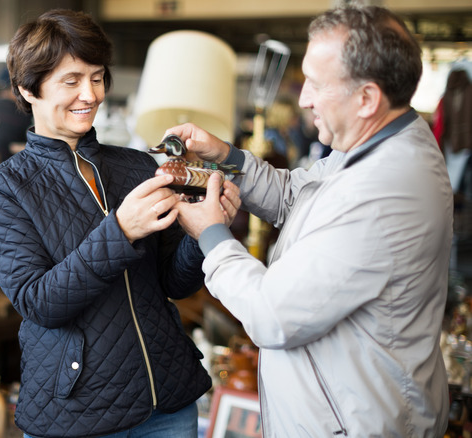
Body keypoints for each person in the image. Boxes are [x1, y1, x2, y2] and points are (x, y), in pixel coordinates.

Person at [170, 5, 452, 436]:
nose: (302, 99)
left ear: (367, 99)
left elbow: (271, 314)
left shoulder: (381, 192)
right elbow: (297, 196)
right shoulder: (371, 143)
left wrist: (210, 234)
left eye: (316, 86)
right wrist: (228, 159)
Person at [0, 9, 240, 438]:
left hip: (168, 403)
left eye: (97, 78)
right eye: (72, 80)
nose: (90, 94)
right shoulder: (5, 188)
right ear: (29, 88)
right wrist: (120, 231)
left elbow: (173, 283)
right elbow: (38, 302)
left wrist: (201, 233)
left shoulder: (136, 166)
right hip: (77, 413)